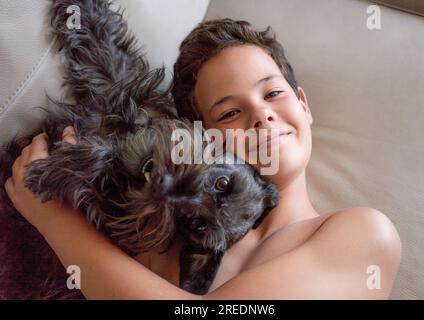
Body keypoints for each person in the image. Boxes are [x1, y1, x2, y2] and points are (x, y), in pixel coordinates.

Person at [4, 18, 401, 299]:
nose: (261, 115)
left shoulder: (364, 233)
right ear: (205, 137)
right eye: (230, 113)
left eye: (273, 93)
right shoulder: (165, 231)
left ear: (303, 104)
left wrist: (55, 221)